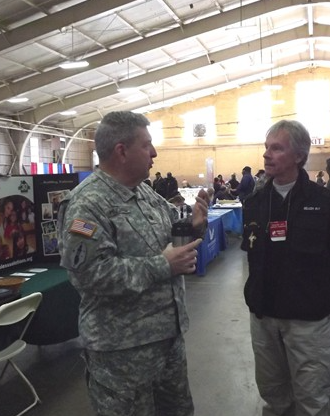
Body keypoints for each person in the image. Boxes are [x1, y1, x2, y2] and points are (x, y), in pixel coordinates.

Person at [57, 111, 209, 416]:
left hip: (167, 339)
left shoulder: (143, 193)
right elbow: (87, 275)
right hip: (121, 353)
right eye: (147, 145)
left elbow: (172, 227)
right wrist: (162, 266)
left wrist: (193, 225)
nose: (154, 152)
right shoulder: (87, 205)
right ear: (121, 151)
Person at [241, 119, 330, 416]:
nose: (266, 154)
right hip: (264, 316)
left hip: (307, 321)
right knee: (273, 394)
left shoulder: (322, 202)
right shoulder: (255, 202)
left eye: (276, 148)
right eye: (266, 148)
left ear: (299, 156)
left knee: (312, 399)